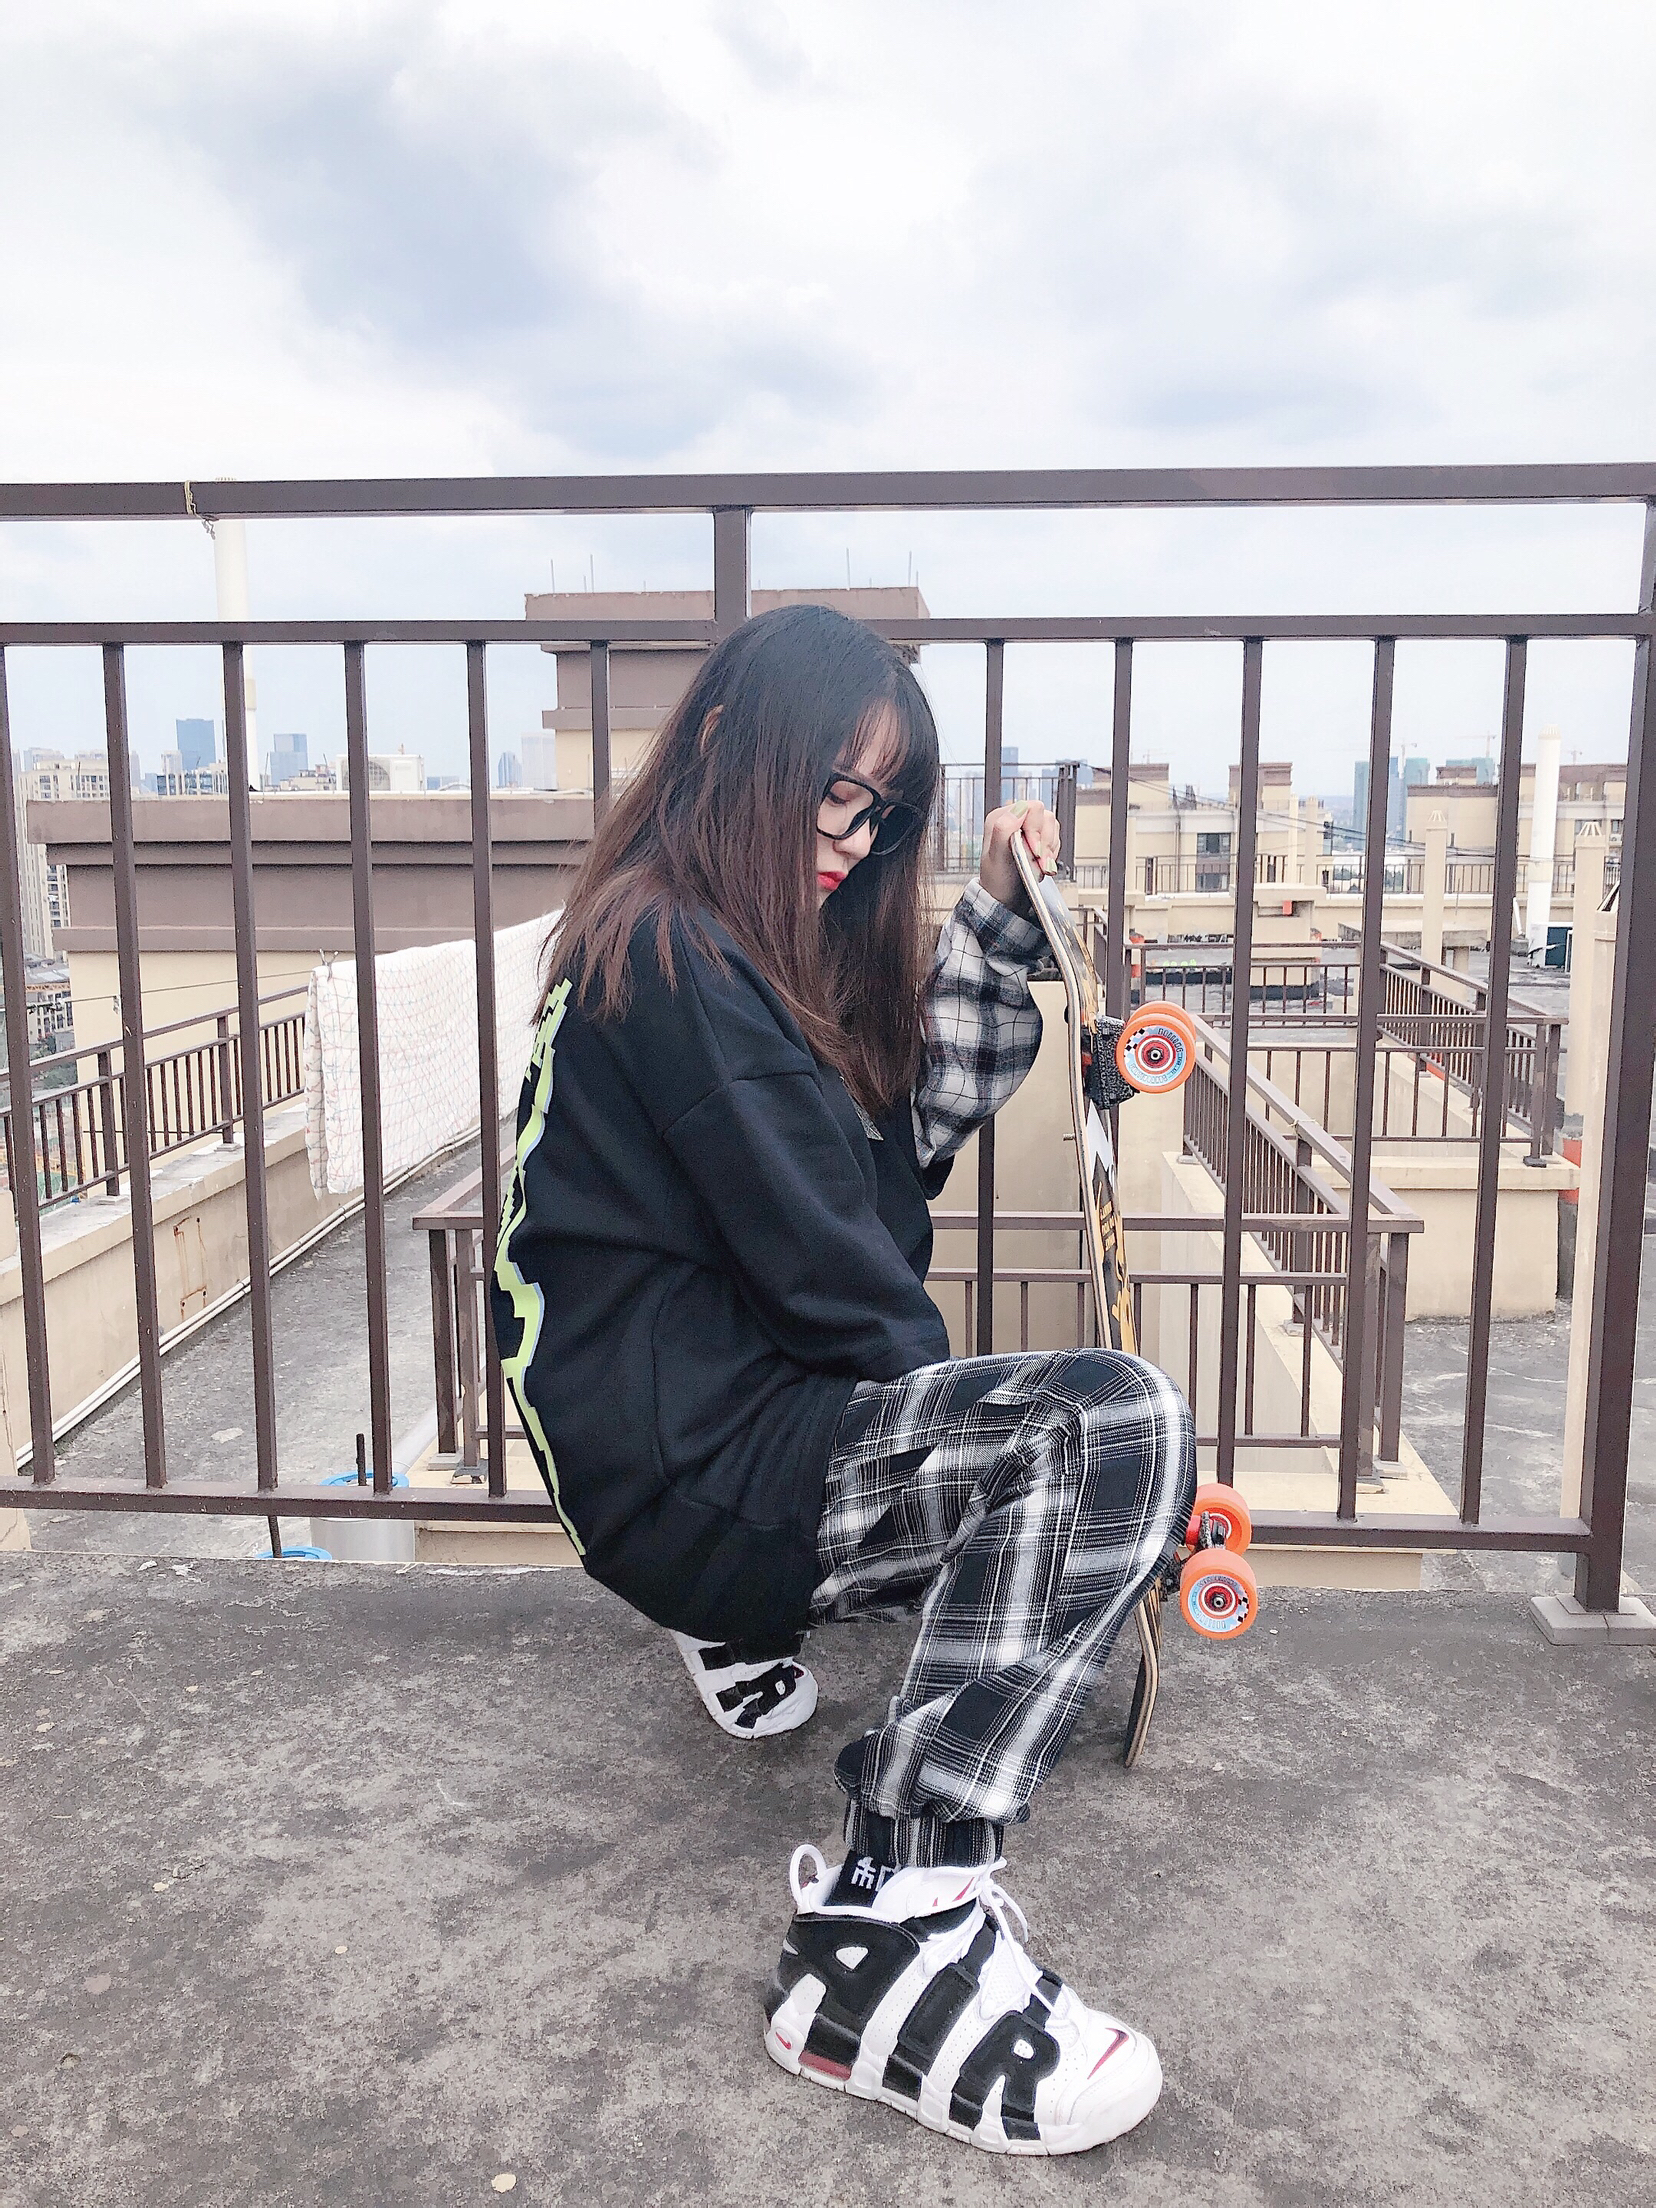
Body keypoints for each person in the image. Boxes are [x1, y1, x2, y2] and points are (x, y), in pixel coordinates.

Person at [492, 604, 1195, 2157]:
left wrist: (995, 918)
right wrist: (987, 1476)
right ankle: (890, 1925)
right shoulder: (678, 956)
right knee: (1109, 1431)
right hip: (687, 1469)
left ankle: (737, 1615)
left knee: (1037, 1469)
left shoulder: (694, 940)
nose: (854, 835)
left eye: (881, 809)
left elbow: (890, 1141)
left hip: (661, 1436)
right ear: (730, 745)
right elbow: (843, 1275)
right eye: (834, 787)